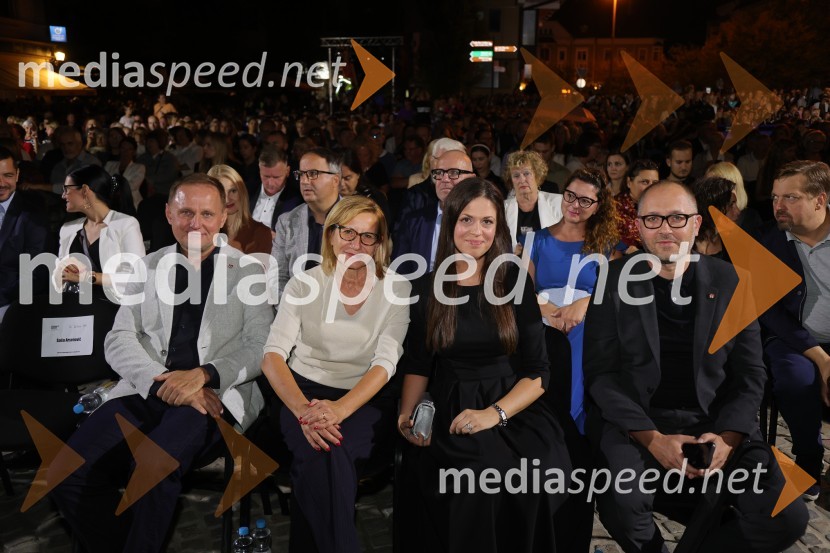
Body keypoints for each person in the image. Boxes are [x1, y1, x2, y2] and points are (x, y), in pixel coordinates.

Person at [51, 173, 274, 553]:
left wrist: (202, 376)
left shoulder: (248, 272)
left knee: (153, 469)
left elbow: (260, 346)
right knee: (65, 472)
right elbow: (119, 339)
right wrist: (162, 382)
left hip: (213, 397)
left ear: (223, 218)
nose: (195, 223)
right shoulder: (147, 266)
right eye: (186, 211)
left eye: (207, 214)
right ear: (169, 213)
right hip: (145, 388)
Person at [584, 180, 808, 553]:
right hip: (642, 424)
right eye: (653, 219)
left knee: (788, 516)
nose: (665, 229)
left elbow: (751, 374)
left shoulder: (733, 281)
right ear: (637, 226)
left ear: (696, 223)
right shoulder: (612, 280)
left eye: (677, 217)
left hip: (717, 424)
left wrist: (727, 438)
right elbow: (601, 375)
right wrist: (653, 440)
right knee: (621, 504)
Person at [398, 178, 570, 553]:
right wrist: (408, 414)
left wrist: (495, 414)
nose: (477, 231)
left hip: (514, 403)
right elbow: (417, 361)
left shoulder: (515, 282)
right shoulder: (428, 287)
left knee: (525, 476)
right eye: (467, 220)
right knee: (473, 481)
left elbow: (539, 372)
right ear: (451, 224)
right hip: (451, 404)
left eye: (487, 222)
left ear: (499, 228)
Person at [261, 195, 410, 553]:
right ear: (330, 235)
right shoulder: (303, 284)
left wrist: (338, 410)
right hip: (300, 394)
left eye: (367, 236)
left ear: (379, 244)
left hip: (364, 398)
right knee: (324, 455)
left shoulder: (397, 289)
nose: (355, 244)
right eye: (348, 233)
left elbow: (386, 362)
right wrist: (304, 412)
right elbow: (272, 357)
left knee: (326, 455)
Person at [527, 168, 623, 553]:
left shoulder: (608, 245)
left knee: (585, 344)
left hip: (587, 328)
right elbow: (521, 290)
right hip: (543, 324)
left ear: (599, 205)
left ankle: (577, 440)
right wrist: (548, 308)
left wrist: (585, 302)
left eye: (586, 200)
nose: (575, 205)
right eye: (570, 195)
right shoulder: (535, 239)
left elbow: (616, 290)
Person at [760, 160, 830, 501]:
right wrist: (819, 357)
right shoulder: (770, 241)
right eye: (775, 197)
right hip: (792, 338)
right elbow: (768, 309)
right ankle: (808, 462)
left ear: (820, 200)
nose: (778, 206)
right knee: (795, 379)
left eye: (790, 197)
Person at [55, 165, 145, 301]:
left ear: (85, 190)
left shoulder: (126, 224)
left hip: (113, 309)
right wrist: (63, 273)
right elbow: (58, 281)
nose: (63, 195)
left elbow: (136, 277)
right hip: (73, 306)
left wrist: (88, 277)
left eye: (67, 189)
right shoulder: (68, 229)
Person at [270, 148, 342, 302]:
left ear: (335, 180)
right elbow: (277, 277)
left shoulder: (357, 218)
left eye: (313, 174)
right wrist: (293, 310)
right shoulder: (287, 222)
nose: (304, 181)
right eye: (301, 174)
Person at [392, 149, 475, 276]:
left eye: (453, 173)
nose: (445, 179)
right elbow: (399, 272)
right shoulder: (413, 222)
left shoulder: (486, 222)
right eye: (439, 173)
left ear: (471, 179)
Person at [0, 146, 52, 322]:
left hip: (11, 305)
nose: (1, 183)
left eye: (7, 175)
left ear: (17, 174)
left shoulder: (32, 212)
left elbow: (36, 272)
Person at [502, 149, 563, 252]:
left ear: (537, 175)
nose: (522, 180)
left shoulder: (557, 202)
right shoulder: (502, 208)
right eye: (516, 175)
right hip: (515, 264)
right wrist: (512, 251)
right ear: (511, 180)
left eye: (526, 173)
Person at [207, 164, 272, 255]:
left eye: (233, 191)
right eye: (221, 193)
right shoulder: (205, 232)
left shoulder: (260, 233)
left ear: (241, 192)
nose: (228, 199)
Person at [249, 146, 303, 232]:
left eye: (276, 177)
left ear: (287, 171)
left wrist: (277, 238)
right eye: (266, 176)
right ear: (259, 171)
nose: (270, 183)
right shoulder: (247, 191)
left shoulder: (296, 201)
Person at [704, 161, 763, 236]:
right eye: (706, 186)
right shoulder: (705, 219)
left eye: (714, 187)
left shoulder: (751, 220)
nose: (707, 192)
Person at [615, 159, 660, 252]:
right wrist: (624, 249)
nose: (650, 187)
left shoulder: (663, 208)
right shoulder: (613, 207)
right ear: (629, 182)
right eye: (645, 182)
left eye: (655, 183)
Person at [105, 136, 145, 211]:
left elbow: (133, 185)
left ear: (134, 152)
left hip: (132, 202)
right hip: (110, 202)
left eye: (129, 149)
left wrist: (114, 187)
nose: (125, 151)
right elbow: (104, 182)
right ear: (119, 149)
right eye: (123, 148)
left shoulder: (139, 167)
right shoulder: (110, 164)